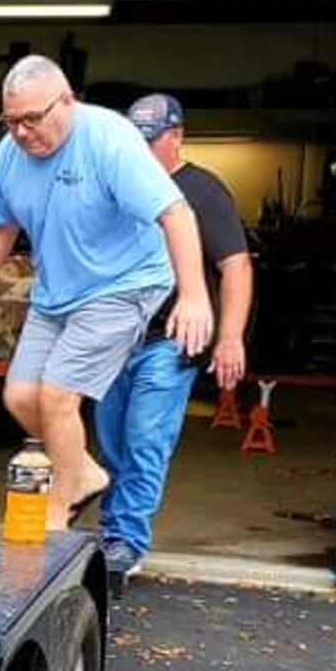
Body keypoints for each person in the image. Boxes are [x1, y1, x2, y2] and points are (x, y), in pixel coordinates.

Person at [0, 54, 212, 529]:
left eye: (32, 119)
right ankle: (84, 473)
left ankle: (58, 510)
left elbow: (176, 213)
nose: (20, 132)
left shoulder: (108, 140)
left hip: (124, 284)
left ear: (67, 102)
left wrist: (195, 295)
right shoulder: (9, 155)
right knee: (19, 396)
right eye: (10, 121)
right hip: (57, 291)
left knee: (57, 396)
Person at [94, 94, 254, 584]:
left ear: (177, 135)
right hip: (115, 335)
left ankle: (126, 542)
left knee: (145, 440)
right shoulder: (119, 186)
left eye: (151, 140)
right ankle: (112, 532)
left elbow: (235, 266)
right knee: (111, 442)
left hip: (170, 339)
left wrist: (230, 337)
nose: (141, 151)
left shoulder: (202, 191)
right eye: (134, 141)